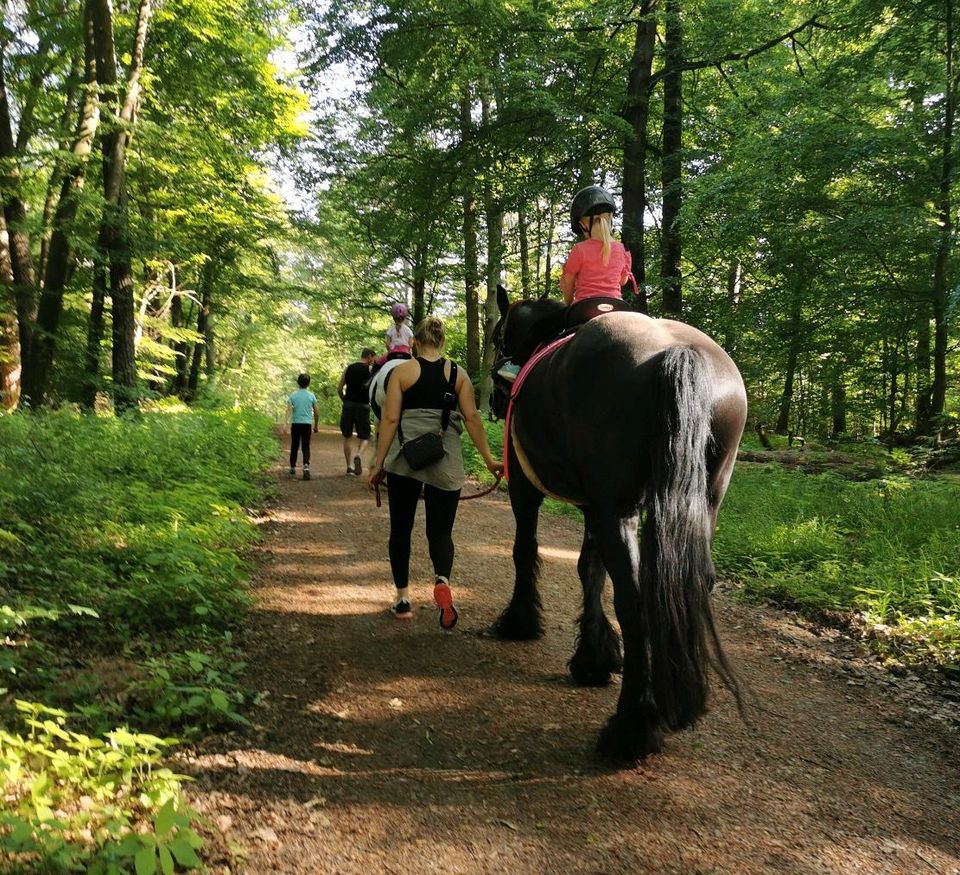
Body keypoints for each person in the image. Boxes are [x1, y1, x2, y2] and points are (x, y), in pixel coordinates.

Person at [368, 316, 503, 629]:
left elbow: (389, 421)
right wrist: (489, 459)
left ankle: (402, 600)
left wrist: (378, 465)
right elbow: (471, 418)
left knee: (400, 531)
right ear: (442, 343)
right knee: (440, 533)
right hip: (445, 461)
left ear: (414, 342)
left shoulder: (402, 371)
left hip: (405, 461)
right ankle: (442, 580)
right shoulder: (457, 374)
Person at [497, 184, 632, 381]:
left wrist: (569, 302)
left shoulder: (580, 249)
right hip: (617, 308)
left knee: (540, 326)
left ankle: (515, 366)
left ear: (584, 223)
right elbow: (623, 280)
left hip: (584, 308)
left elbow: (568, 282)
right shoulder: (622, 249)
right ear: (610, 219)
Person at [338, 348, 376, 476]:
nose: (373, 361)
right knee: (365, 436)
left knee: (347, 436)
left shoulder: (349, 368)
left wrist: (345, 400)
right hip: (363, 406)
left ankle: (349, 467)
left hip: (348, 405)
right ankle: (359, 455)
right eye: (373, 358)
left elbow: (339, 388)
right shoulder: (370, 370)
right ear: (369, 356)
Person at [284, 373, 318, 480]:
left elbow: (289, 410)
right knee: (305, 446)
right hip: (307, 424)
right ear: (308, 383)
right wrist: (316, 425)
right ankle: (306, 466)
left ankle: (292, 468)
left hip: (296, 424)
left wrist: (285, 424)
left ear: (298, 383)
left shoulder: (293, 395)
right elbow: (316, 412)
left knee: (294, 446)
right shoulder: (311, 396)